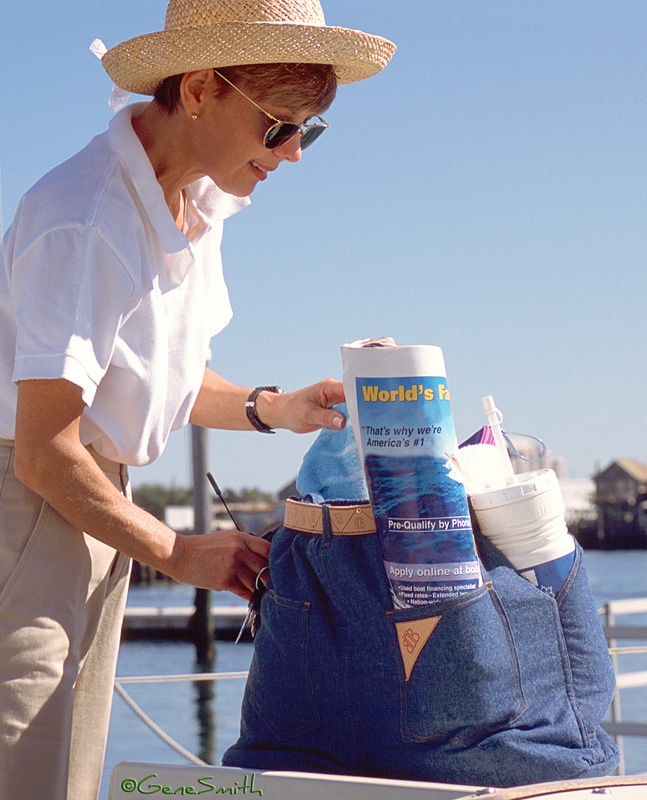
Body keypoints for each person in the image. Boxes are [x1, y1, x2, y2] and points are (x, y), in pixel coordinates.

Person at [0, 0, 396, 797]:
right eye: (279, 128)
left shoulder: (199, 202)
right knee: (24, 773)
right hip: (32, 498)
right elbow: (46, 449)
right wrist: (178, 552)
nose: (290, 156)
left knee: (72, 776)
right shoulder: (85, 218)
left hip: (91, 497)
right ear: (201, 90)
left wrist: (275, 408)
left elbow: (152, 386)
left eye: (308, 132)